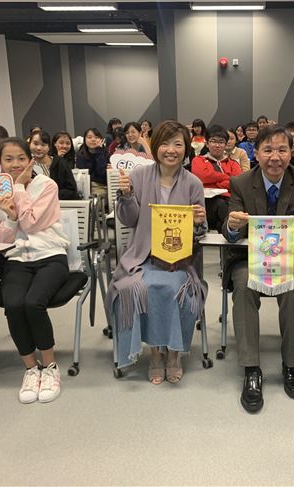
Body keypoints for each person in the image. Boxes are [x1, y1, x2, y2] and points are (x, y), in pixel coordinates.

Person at [223, 125, 294, 413]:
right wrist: (232, 225)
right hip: (249, 256)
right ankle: (251, 369)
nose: (275, 157)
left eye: (282, 149)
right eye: (267, 150)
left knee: (292, 284)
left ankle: (291, 364)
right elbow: (230, 231)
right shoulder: (240, 182)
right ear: (255, 153)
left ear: (291, 152)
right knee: (243, 284)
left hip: (289, 256)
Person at [105, 120, 208, 384]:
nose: (171, 150)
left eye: (178, 144)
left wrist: (198, 223)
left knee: (172, 287)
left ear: (186, 149)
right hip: (143, 258)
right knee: (139, 287)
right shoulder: (138, 177)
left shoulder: (194, 183)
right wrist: (126, 196)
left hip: (180, 261)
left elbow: (200, 234)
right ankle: (154, 353)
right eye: (165, 143)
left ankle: (173, 353)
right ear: (155, 146)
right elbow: (129, 220)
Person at [0, 137, 70, 404]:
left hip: (51, 256)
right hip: (16, 260)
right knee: (14, 304)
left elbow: (32, 224)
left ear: (30, 160)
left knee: (34, 303)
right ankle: (31, 369)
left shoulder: (46, 185)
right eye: (8, 159)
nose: (15, 164)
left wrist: (19, 188)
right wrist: (10, 219)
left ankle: (50, 367)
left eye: (21, 158)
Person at [191, 124, 242, 232]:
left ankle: (226, 229)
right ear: (207, 143)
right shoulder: (198, 160)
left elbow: (236, 184)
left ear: (226, 144)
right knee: (220, 204)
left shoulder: (233, 163)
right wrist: (226, 177)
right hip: (206, 203)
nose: (217, 145)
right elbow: (203, 177)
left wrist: (213, 182)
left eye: (221, 142)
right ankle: (233, 231)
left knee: (228, 208)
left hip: (229, 202)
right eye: (213, 141)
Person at [30, 130, 79, 200]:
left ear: (49, 147)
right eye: (35, 144)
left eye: (43, 145)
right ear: (29, 144)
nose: (39, 148)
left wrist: (50, 194)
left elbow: (72, 191)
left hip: (59, 203)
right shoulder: (26, 165)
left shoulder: (60, 163)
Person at [76, 128, 109, 198]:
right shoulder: (80, 155)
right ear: (85, 140)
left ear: (101, 140)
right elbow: (83, 175)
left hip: (102, 186)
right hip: (86, 186)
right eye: (89, 137)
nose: (93, 140)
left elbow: (102, 173)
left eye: (96, 137)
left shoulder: (105, 153)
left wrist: (99, 152)